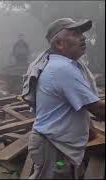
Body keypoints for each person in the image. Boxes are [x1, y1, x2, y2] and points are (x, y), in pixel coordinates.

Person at [22, 18, 105, 179]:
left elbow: (77, 108)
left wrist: (90, 131)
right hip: (53, 147)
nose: (83, 37)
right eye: (75, 34)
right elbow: (98, 109)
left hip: (55, 144)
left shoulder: (62, 65)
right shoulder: (63, 69)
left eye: (82, 33)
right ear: (59, 44)